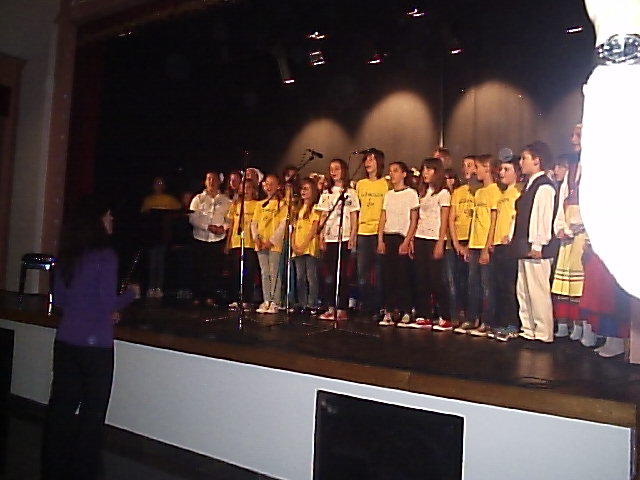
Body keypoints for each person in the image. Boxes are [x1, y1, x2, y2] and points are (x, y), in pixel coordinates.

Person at [43, 199, 139, 480]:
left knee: (61, 409)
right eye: (108, 216)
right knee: (92, 415)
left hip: (66, 340)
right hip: (96, 346)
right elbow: (109, 301)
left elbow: (61, 300)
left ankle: (52, 467)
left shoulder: (68, 255)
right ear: (96, 221)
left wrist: (100, 310)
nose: (112, 220)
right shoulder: (105, 256)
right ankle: (84, 470)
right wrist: (131, 294)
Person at [512, 142, 559, 343]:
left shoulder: (544, 186)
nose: (521, 162)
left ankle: (543, 332)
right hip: (524, 245)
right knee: (524, 289)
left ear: (537, 160)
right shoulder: (530, 185)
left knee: (538, 290)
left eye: (525, 158)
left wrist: (538, 245)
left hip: (536, 247)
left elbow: (543, 217)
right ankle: (528, 328)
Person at [317, 159, 360, 321]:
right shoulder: (326, 193)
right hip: (330, 237)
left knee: (342, 274)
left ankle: (342, 308)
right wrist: (321, 236)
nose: (333, 172)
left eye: (337, 168)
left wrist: (353, 235)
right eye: (331, 169)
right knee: (329, 275)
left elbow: (354, 215)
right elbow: (323, 216)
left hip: (345, 236)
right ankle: (330, 307)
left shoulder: (350, 192)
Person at [411, 158, 451, 330]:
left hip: (434, 238)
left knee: (436, 278)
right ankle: (424, 314)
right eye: (424, 169)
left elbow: (444, 220)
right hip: (420, 236)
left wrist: (440, 242)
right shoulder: (422, 193)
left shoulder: (443, 194)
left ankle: (445, 316)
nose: (425, 173)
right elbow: (418, 218)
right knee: (421, 278)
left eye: (429, 170)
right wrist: (412, 239)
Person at [377, 162, 419, 326]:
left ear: (404, 174)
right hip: (388, 236)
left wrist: (407, 241)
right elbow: (383, 218)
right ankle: (388, 310)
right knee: (388, 277)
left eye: (396, 171)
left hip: (402, 237)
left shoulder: (411, 194)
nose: (392, 174)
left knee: (403, 276)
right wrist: (380, 239)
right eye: (390, 171)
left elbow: (413, 220)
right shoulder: (388, 195)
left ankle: (406, 310)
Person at [464, 154, 501, 337]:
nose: (475, 171)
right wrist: (469, 244)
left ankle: (488, 321)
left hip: (485, 245)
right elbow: (475, 221)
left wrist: (487, 247)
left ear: (487, 168)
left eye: (477, 167)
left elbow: (493, 221)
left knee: (487, 285)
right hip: (474, 244)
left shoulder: (495, 192)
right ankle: (473, 318)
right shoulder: (478, 193)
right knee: (473, 284)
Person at [189, 171, 232, 307]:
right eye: (209, 179)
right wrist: (208, 227)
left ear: (219, 182)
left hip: (217, 239)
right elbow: (192, 218)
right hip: (200, 238)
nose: (211, 182)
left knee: (213, 269)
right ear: (205, 181)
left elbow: (230, 218)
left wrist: (223, 228)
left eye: (214, 179)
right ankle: (197, 296)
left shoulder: (226, 200)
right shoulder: (198, 199)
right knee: (198, 268)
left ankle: (210, 296)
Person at [355, 148, 389, 319]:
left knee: (380, 272)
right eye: (366, 159)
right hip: (362, 232)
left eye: (371, 159)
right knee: (362, 273)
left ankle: (379, 307)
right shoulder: (360, 184)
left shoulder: (386, 184)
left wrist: (381, 236)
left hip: (378, 232)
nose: (368, 162)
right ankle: (365, 305)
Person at [491, 157, 522, 341]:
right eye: (501, 169)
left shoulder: (517, 193)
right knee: (500, 286)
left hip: (509, 245)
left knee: (510, 286)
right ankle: (501, 321)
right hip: (498, 244)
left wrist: (510, 236)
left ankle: (513, 323)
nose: (502, 173)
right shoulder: (503, 194)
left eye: (507, 169)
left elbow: (516, 219)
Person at [252, 174, 287, 314]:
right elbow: (253, 223)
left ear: (278, 186)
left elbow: (282, 225)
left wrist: (271, 241)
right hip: (260, 244)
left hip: (274, 244)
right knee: (264, 272)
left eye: (272, 184)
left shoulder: (282, 204)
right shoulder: (259, 204)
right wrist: (256, 238)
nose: (269, 186)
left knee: (274, 272)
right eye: (266, 183)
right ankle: (266, 299)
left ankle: (275, 301)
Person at [140, 176, 180, 298]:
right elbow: (144, 216)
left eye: (160, 183)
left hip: (164, 236)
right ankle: (151, 287)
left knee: (161, 263)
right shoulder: (148, 200)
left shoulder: (170, 199)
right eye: (156, 183)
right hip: (152, 236)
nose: (158, 186)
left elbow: (178, 213)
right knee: (152, 263)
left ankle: (159, 287)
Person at [449, 156, 477, 332]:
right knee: (457, 280)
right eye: (464, 165)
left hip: (473, 241)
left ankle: (473, 316)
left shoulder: (479, 191)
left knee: (471, 282)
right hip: (458, 241)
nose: (466, 169)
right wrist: (456, 243)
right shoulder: (458, 192)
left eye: (470, 165)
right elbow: (451, 219)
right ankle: (459, 314)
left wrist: (468, 245)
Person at [225, 178, 259, 309]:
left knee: (248, 272)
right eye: (243, 187)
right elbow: (231, 224)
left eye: (249, 187)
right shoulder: (236, 205)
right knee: (235, 271)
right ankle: (235, 298)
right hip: (236, 242)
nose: (246, 190)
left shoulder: (257, 205)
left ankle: (246, 298)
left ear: (254, 190)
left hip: (250, 243)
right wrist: (228, 243)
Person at [292, 178, 321, 313]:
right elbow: (294, 228)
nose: (303, 191)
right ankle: (302, 302)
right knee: (300, 277)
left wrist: (304, 244)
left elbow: (314, 228)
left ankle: (312, 303)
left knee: (311, 276)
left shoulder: (315, 208)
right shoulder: (298, 209)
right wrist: (294, 244)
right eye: (302, 188)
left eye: (306, 188)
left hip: (309, 247)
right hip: (298, 248)